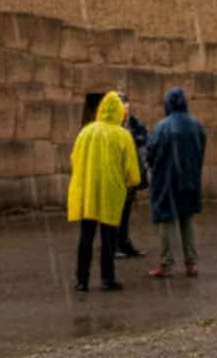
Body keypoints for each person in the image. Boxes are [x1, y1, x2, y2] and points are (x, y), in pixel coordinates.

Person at [68, 91, 142, 292]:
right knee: (108, 237)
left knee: (86, 236)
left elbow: (74, 159)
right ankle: (107, 278)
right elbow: (132, 172)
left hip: (88, 193)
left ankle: (81, 279)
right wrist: (129, 182)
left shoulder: (86, 132)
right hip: (111, 192)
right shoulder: (123, 135)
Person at [146, 86, 206, 278]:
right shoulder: (196, 125)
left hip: (168, 180)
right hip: (190, 180)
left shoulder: (163, 126)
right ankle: (191, 263)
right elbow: (201, 150)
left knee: (167, 220)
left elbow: (151, 151)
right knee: (187, 220)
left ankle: (166, 263)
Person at [114, 99, 150, 258]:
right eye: (124, 109)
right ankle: (115, 246)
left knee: (125, 213)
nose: (126, 113)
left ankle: (124, 243)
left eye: (128, 109)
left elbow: (143, 138)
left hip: (130, 175)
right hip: (118, 176)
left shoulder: (133, 124)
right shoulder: (114, 128)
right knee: (116, 214)